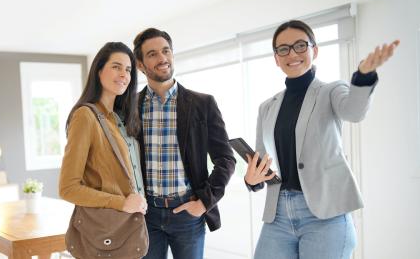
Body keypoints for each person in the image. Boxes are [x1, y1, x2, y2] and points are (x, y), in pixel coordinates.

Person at [244, 20, 400, 259]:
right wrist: (251, 180)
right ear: (276, 58)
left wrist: (363, 76)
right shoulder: (267, 107)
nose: (292, 53)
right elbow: (260, 160)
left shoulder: (332, 90)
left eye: (299, 45)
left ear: (314, 50)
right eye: (283, 49)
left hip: (325, 214)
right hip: (278, 214)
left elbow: (354, 112)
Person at [133, 28, 236, 259]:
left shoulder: (203, 103)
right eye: (152, 54)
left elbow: (226, 159)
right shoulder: (129, 107)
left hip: (188, 213)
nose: (162, 58)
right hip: (146, 214)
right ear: (140, 64)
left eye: (166, 51)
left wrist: (205, 202)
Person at [59, 42, 147, 243]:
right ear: (99, 71)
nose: (124, 74)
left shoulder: (118, 119)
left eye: (128, 69)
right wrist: (122, 202)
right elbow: (68, 188)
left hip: (136, 223)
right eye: (116, 67)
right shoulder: (85, 116)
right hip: (112, 227)